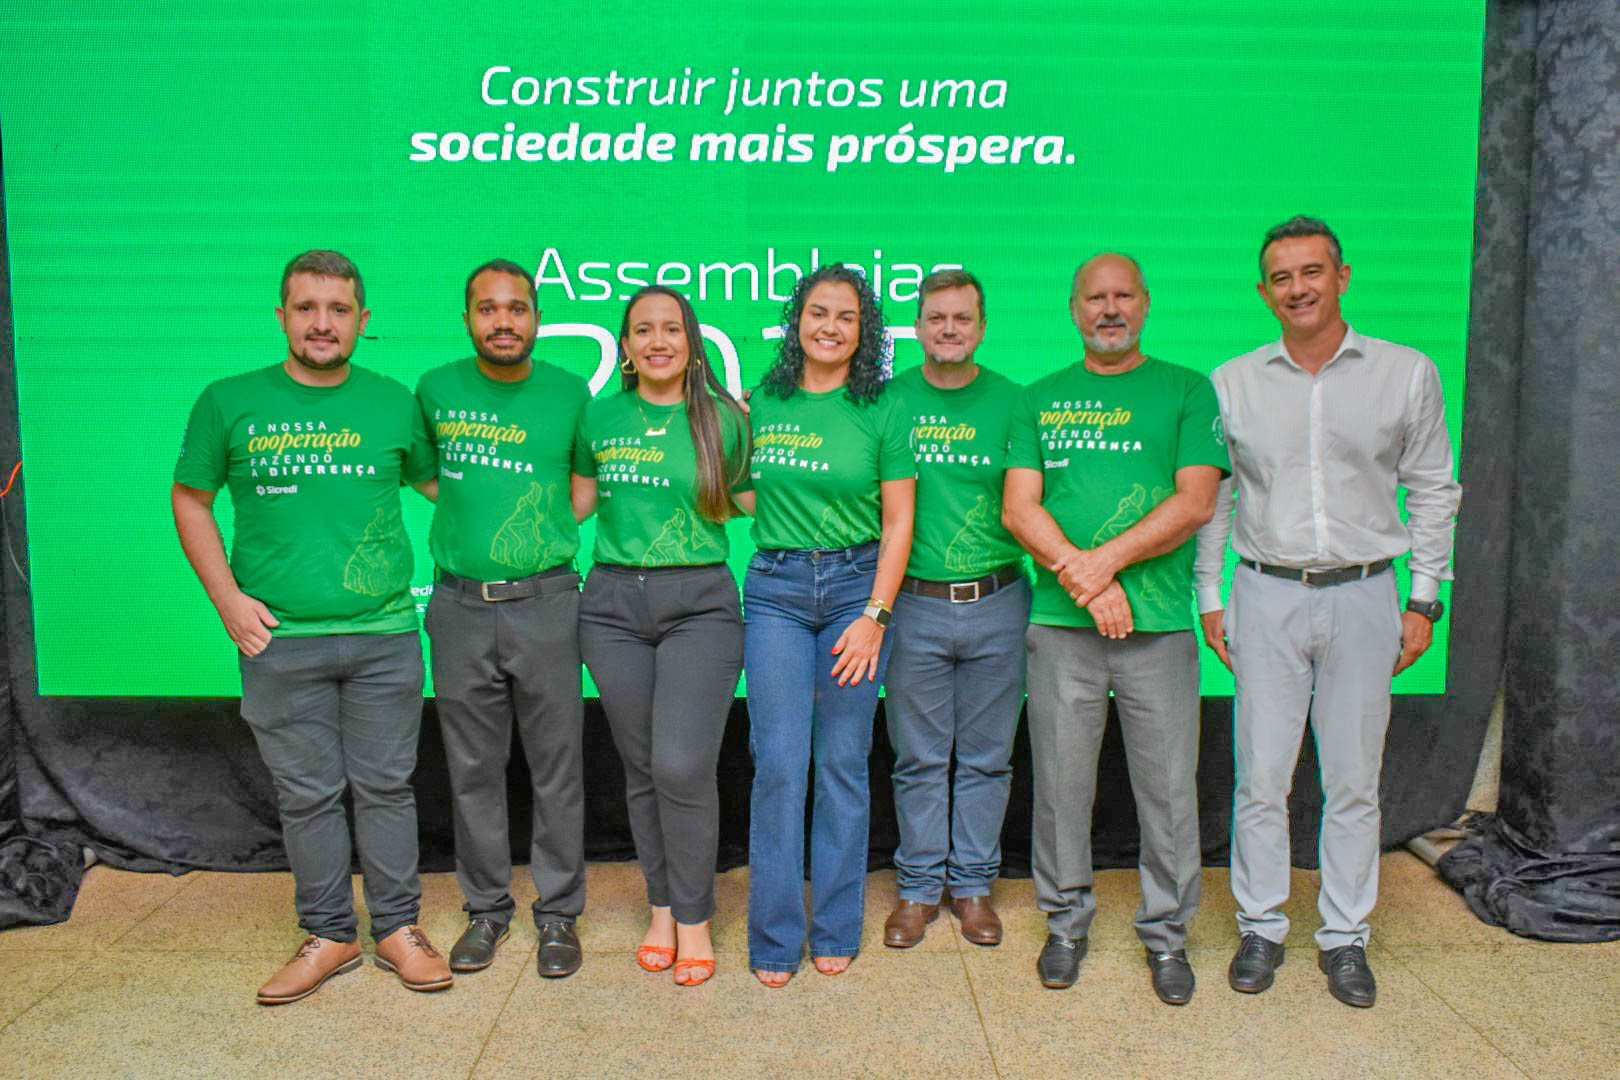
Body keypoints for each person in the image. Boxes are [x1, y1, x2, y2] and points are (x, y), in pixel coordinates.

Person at [1194, 216, 1460, 1009]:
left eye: (1312, 272)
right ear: (1263, 292)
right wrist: (1211, 597)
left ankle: (1345, 937)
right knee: (1260, 777)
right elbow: (1216, 502)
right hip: (1265, 593)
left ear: (1342, 277)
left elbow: (1433, 488)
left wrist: (1424, 597)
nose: (1298, 289)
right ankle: (1261, 926)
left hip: (1368, 594)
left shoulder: (1406, 373)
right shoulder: (1233, 382)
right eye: (1282, 278)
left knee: (1353, 779)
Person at [172, 250, 449, 1004]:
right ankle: (329, 935)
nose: (322, 323)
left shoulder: (394, 402)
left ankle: (397, 930)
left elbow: (448, 490)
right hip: (279, 641)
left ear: (362, 320)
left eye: (338, 310)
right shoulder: (228, 401)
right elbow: (191, 498)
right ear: (282, 316)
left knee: (386, 788)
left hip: (385, 636)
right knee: (307, 796)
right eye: (306, 308)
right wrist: (228, 601)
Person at [1003, 253, 1227, 1004]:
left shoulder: (1188, 390)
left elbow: (1196, 502)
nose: (1110, 309)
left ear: (1146, 303)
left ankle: (1167, 937)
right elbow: (1019, 509)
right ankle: (1065, 925)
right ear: (1074, 309)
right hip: (1061, 628)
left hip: (1159, 627)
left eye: (1123, 295)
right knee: (1061, 788)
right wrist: (1087, 579)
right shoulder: (1038, 399)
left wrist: (1102, 566)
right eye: (1095, 297)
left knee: (1168, 793)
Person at [413, 259, 591, 979]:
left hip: (547, 602)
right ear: (467, 319)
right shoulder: (436, 388)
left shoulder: (570, 392)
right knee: (472, 770)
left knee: (557, 768)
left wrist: (537, 538)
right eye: (488, 309)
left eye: (517, 308)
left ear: (536, 318)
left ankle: (559, 914)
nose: (503, 321)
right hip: (459, 607)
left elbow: (584, 488)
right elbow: (427, 476)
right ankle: (485, 911)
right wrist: (475, 516)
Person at [571, 286, 751, 987]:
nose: (657, 341)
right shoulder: (599, 416)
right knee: (642, 768)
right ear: (625, 346)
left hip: (699, 604)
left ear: (691, 341)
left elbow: (758, 501)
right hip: (611, 606)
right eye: (642, 330)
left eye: (671, 329)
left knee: (681, 766)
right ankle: (663, 908)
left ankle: (696, 918)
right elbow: (576, 504)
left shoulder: (725, 420)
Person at [743, 264, 916, 987]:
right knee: (780, 767)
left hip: (855, 591)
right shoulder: (764, 400)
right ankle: (775, 939)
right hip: (777, 592)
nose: (831, 327)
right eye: (819, 312)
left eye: (847, 316)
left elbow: (900, 521)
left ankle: (837, 928)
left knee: (842, 763)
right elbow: (743, 494)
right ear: (798, 320)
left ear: (863, 330)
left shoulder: (883, 407)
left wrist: (875, 615)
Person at [880, 270, 1029, 949]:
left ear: (982, 327)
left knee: (988, 758)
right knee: (918, 758)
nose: (948, 328)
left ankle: (971, 887)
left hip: (998, 600)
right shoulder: (889, 400)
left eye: (962, 318)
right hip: (914, 603)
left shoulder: (1014, 402)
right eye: (936, 317)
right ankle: (917, 890)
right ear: (917, 327)